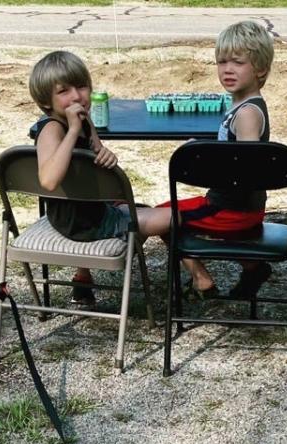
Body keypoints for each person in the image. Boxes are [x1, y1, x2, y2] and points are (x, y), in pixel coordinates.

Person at [28, 50, 169, 308]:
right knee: (171, 218)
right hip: (84, 222)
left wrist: (105, 155)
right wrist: (72, 131)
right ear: (45, 101)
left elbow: (95, 153)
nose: (76, 96)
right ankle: (198, 279)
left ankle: (82, 279)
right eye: (63, 91)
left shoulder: (83, 120)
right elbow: (48, 181)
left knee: (139, 210)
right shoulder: (51, 129)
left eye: (81, 86)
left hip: (82, 209)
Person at [162, 20, 276, 301]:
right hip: (237, 206)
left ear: (260, 68)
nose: (227, 69)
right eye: (221, 62)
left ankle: (202, 280)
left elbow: (246, 170)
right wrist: (207, 147)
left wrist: (202, 161)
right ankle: (252, 267)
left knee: (159, 219)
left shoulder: (248, 114)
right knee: (164, 213)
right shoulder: (242, 105)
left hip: (232, 209)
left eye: (238, 62)